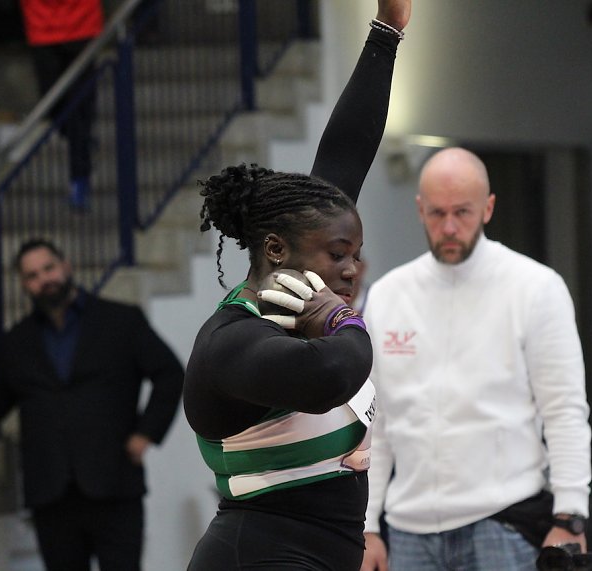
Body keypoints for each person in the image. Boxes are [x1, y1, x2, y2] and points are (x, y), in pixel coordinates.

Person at [183, 1, 410, 569]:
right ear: (276, 250)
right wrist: (342, 320)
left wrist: (387, 31)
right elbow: (331, 372)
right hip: (256, 555)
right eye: (340, 255)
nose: (352, 269)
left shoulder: (310, 249)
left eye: (358, 254)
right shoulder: (229, 342)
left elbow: (345, 152)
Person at [361, 147, 592, 571]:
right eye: (436, 213)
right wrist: (367, 526)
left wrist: (570, 515)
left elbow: (564, 410)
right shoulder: (388, 296)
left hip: (501, 524)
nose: (449, 227)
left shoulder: (536, 289)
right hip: (409, 530)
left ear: (488, 208)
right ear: (419, 209)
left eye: (463, 212)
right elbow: (377, 425)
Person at [0, 238, 184, 571]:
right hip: (51, 494)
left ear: (65, 266)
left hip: (114, 482)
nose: (44, 279)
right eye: (32, 275)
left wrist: (146, 434)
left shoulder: (120, 320)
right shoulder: (16, 341)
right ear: (25, 285)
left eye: (48, 268)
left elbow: (169, 374)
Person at [18, 0, 103, 210]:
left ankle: (80, 181)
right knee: (53, 105)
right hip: (40, 23)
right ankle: (76, 137)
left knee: (79, 109)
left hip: (83, 21)